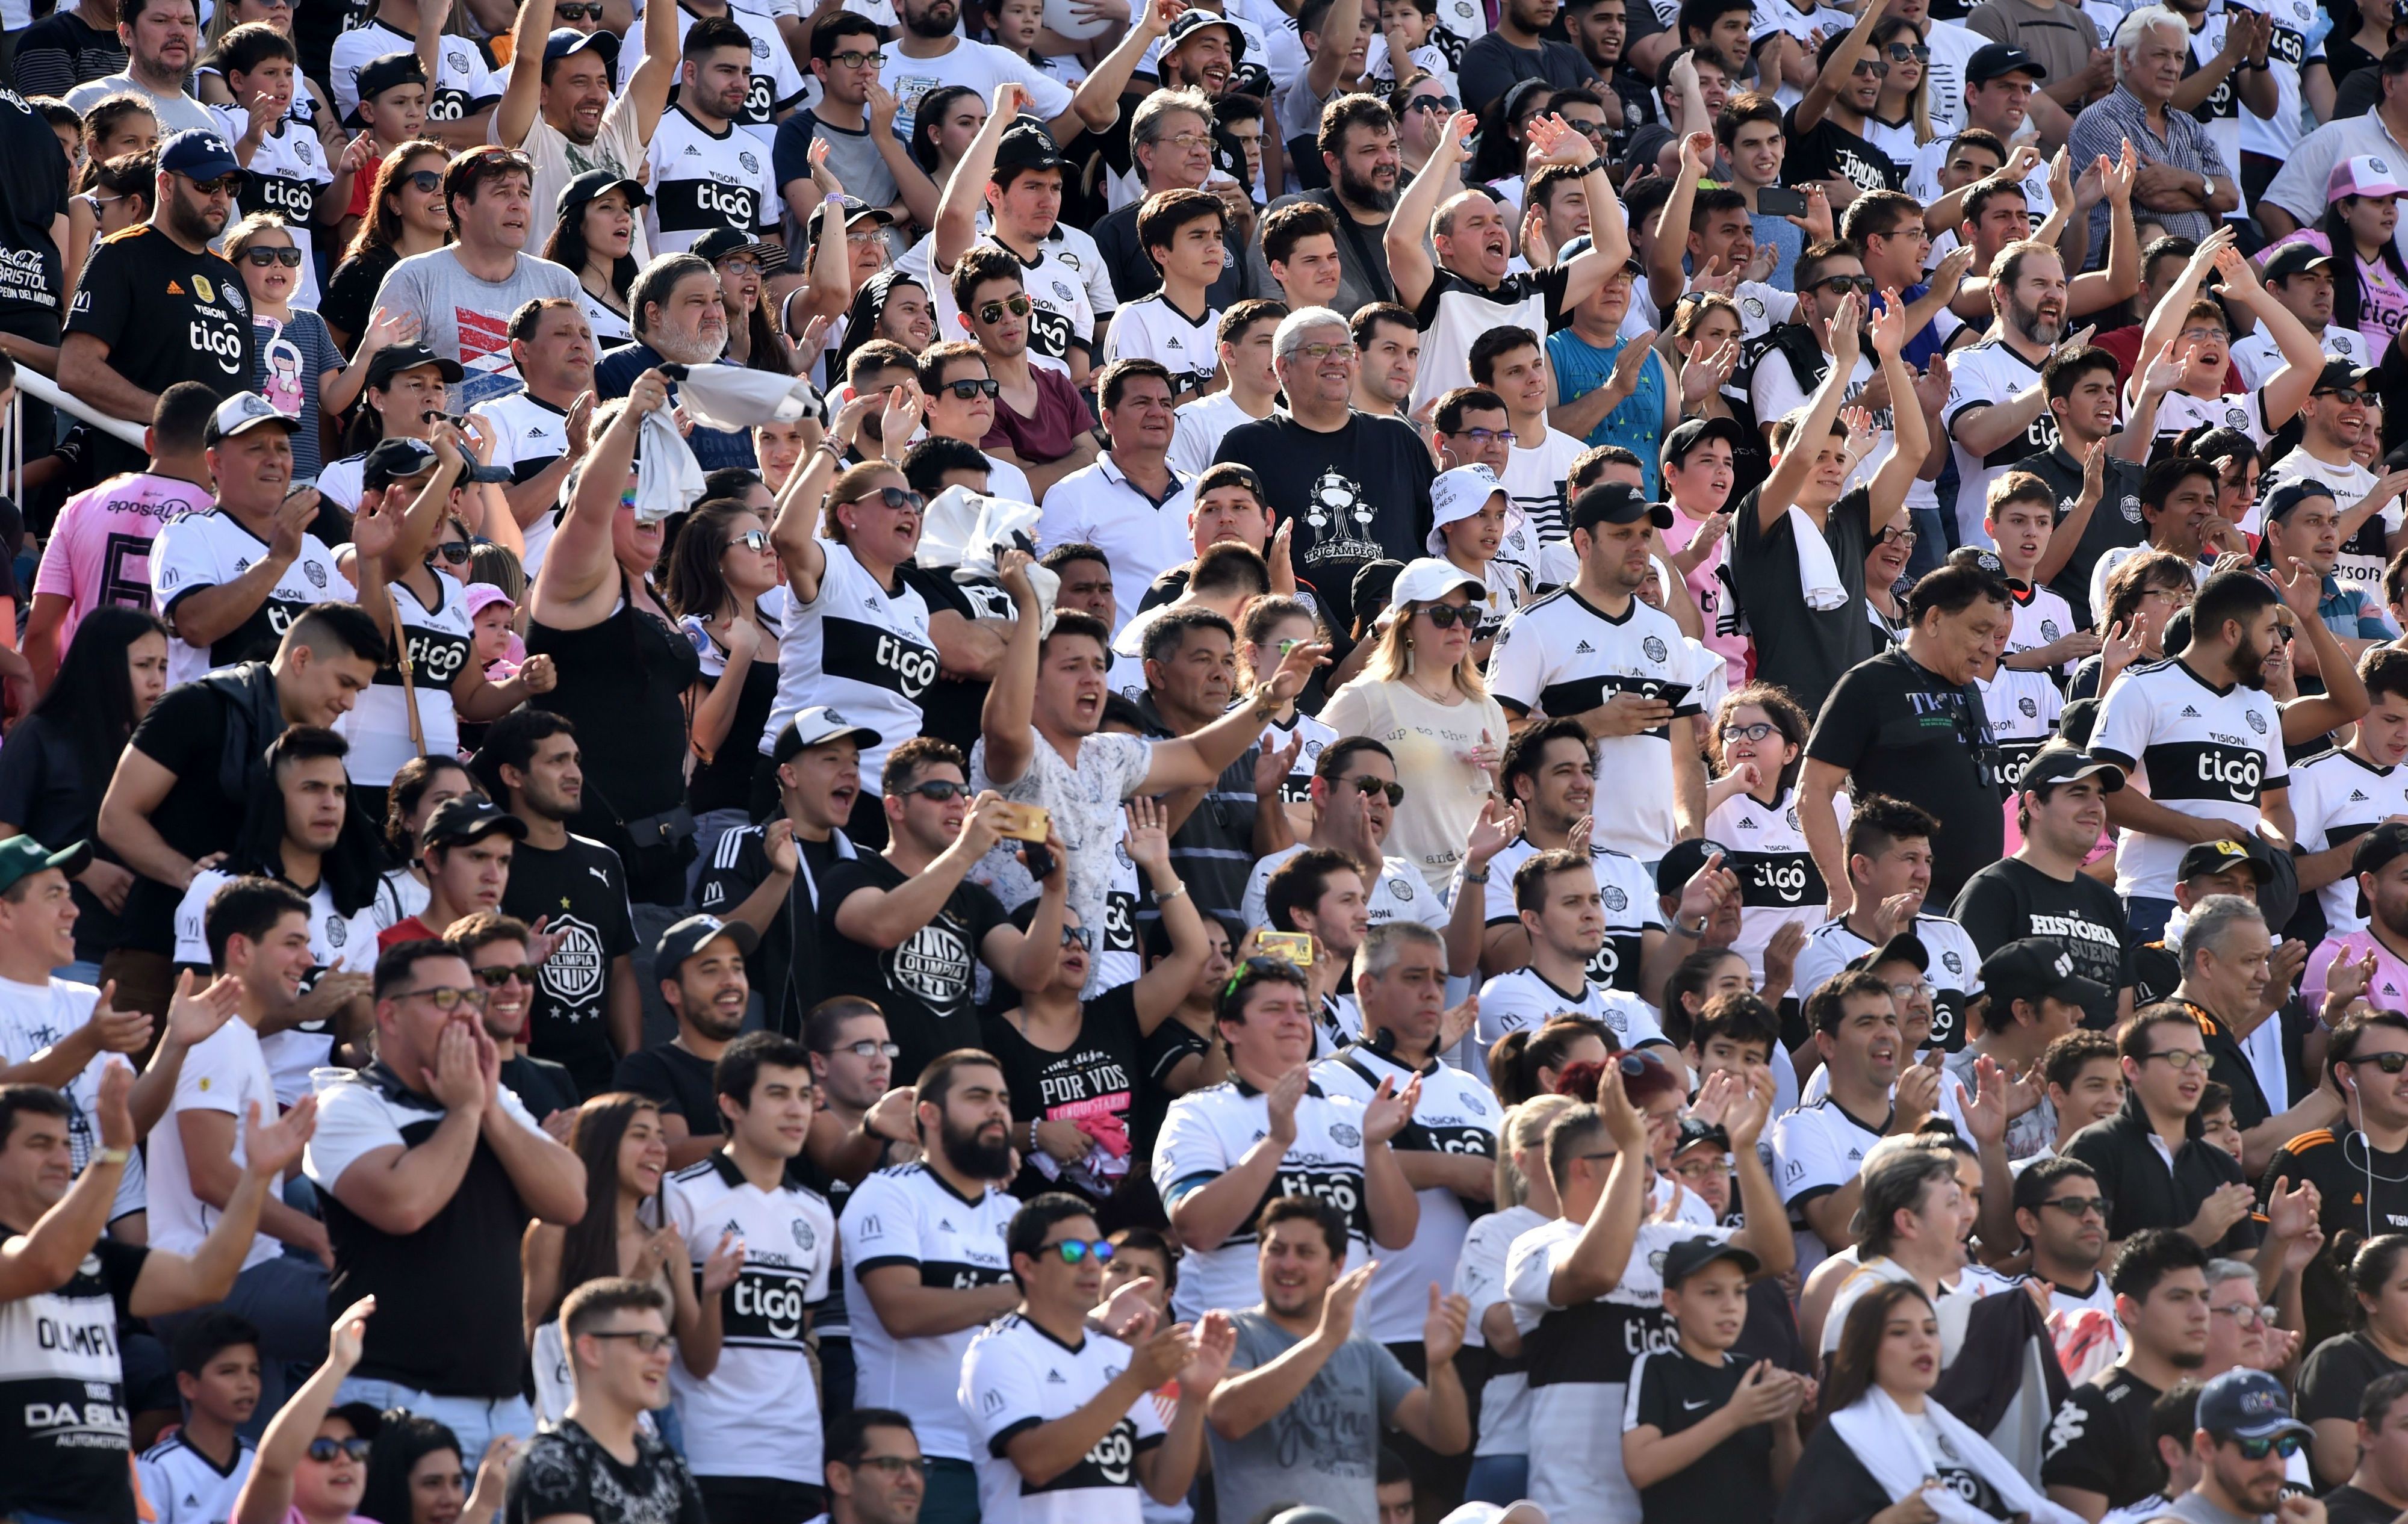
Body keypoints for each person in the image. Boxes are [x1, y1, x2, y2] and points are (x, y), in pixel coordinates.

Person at [303, 937, 587, 1464]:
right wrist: (462, 1115)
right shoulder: (348, 1104)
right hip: (396, 1399)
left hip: (505, 1408)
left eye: (470, 999)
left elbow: (570, 1200)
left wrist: (489, 1111)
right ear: (389, 1014)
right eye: (443, 1000)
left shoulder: (492, 1100)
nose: (465, 1015)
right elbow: (404, 1206)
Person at [0, 1061, 315, 1524]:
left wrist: (255, 1179)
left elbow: (206, 1280)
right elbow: (45, 1264)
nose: (61, 1158)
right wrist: (113, 1151)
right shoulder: (50, 1255)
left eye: (67, 1144)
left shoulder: (99, 1259)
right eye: (39, 1143)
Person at [1507, 1059, 1790, 1522]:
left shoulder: (1672, 1238)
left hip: (1677, 1507)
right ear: (1582, 1171)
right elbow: (1596, 1272)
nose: (1646, 1172)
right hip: (1579, 1510)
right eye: (1626, 1156)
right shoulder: (1538, 1245)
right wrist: (1633, 1147)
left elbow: (1773, 1255)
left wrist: (1741, 1147)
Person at [99, 602, 385, 1021]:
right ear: (302, 658)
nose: (348, 703)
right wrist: (191, 877)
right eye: (345, 683)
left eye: (358, 690)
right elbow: (116, 818)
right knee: (130, 1086)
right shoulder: (196, 707)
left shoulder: (319, 751)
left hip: (263, 973)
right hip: (156, 951)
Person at [1152, 949, 1420, 1322]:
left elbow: (1399, 1234)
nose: (1295, 1020)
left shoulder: (1354, 1114)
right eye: (1275, 1009)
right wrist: (1275, 1143)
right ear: (1230, 1029)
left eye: (1302, 1009)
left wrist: (1375, 1146)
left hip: (1340, 1350)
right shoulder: (1197, 1114)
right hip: (1233, 1352)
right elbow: (1196, 1229)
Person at [1201, 1194, 1472, 1524]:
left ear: (1337, 1266)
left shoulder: (1363, 1352)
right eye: (1276, 1250)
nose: (1288, 1264)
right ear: (1259, 1257)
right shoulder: (1230, 1331)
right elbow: (1228, 1417)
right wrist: (1325, 1340)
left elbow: (1449, 1438)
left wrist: (1441, 1365)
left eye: (1306, 1253)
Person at [960, 1193, 1225, 1523]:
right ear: (1026, 1266)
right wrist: (1133, 1382)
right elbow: (1037, 1463)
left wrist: (1194, 1397)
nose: (1091, 1265)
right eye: (1072, 1252)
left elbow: (1166, 1489)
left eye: (1099, 1252)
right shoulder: (997, 1350)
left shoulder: (1118, 1355)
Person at [839, 1050, 1023, 1524]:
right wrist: (1021, 1296)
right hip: (918, 1461)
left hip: (1010, 1458)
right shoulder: (888, 1194)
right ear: (929, 1114)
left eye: (1003, 1099)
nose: (997, 1110)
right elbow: (901, 1312)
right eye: (978, 1097)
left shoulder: (1014, 1214)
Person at [663, 1032, 835, 1524]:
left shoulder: (817, 1212)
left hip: (797, 1459)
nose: (797, 1111)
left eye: (805, 1095)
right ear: (731, 1106)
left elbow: (799, 1332)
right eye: (778, 1094)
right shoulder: (681, 1197)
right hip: (708, 1452)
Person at [1725, 290, 1923, 715]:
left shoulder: (1850, 520)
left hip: (1855, 721)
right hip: (1789, 722)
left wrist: (1888, 356)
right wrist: (1844, 365)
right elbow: (1798, 454)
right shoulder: (1760, 518)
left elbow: (1913, 452)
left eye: (1840, 458)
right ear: (1777, 463)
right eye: (1821, 457)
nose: (1835, 467)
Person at [1491, 479, 1702, 863]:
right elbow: (1495, 736)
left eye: (1645, 534)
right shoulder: (1532, 626)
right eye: (1623, 534)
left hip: (1656, 861)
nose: (1640, 546)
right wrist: (1593, 723)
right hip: (1564, 859)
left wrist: (1691, 841)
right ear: (1584, 544)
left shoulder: (1667, 631)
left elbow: (1685, 758)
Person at [2088, 568, 2292, 943]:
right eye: (2268, 631)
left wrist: (2274, 847)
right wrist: (2197, 831)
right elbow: (2101, 791)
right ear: (2232, 632)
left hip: (2242, 911)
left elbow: (2276, 805)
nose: (2276, 645)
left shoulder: (2262, 707)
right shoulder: (2141, 688)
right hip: (2156, 897)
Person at [1211, 306, 1436, 637]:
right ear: (1283, 368)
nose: (1335, 359)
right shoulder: (1247, 446)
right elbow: (1227, 551)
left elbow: (1435, 538)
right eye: (1317, 350)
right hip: (1295, 642)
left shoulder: (1397, 438)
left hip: (1398, 639)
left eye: (1345, 350)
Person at [1780, 1280, 2073, 1524]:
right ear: (1867, 1348)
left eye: (1930, 1330)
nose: (1922, 1342)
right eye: (1900, 1332)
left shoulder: (1958, 1434)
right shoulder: (1843, 1438)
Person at [60, 128, 258, 479]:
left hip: (216, 487)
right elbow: (77, 369)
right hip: (136, 479)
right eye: (207, 185)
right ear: (165, 185)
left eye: (231, 187)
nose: (222, 198)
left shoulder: (231, 277)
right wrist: (175, 417)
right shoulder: (121, 254)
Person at [520, 1091, 712, 1427]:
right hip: (575, 1416)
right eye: (640, 1135)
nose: (658, 1149)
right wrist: (637, 1280)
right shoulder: (555, 1232)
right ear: (602, 1144)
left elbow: (699, 1361)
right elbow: (531, 1338)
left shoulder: (668, 1246)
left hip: (656, 1421)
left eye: (661, 1138)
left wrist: (714, 1291)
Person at [473, 712, 639, 1099]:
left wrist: (632, 1068)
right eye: (556, 761)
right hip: (515, 1084)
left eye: (575, 760)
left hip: (601, 1083)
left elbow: (621, 971)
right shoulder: (489, 865)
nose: (574, 773)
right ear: (513, 776)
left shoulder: (605, 860)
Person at [1319, 559, 1512, 893]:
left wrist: (1498, 783)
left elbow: (1502, 822)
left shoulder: (1488, 709)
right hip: (1393, 891)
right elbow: (1311, 777)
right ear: (1405, 625)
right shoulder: (1366, 697)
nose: (1458, 626)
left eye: (1468, 615)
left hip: (1473, 891)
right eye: (1441, 615)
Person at [0, 607, 172, 977]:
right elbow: (3, 846)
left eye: (163, 666)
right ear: (102, 665)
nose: (158, 681)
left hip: (136, 959)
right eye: (144, 666)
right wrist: (77, 866)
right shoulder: (40, 736)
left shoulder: (151, 751)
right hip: (57, 957)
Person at [1623, 1233, 1809, 1524]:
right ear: (1673, 1302)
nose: (1730, 1306)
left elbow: (1789, 1491)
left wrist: (1786, 1425)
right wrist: (1734, 1416)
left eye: (1739, 1292)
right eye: (1712, 1293)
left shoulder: (1750, 1373)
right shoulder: (1657, 1367)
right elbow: (1640, 1467)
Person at [2064, 1004, 2262, 1262]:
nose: (2194, 1070)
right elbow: (2072, 1258)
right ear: (2132, 1069)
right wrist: (2191, 1237)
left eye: (2201, 1060)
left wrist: (2282, 1241)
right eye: (2177, 1057)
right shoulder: (2095, 1147)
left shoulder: (2222, 1165)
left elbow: (2245, 1284)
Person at [506, 1278, 709, 1524]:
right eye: (646, 1342)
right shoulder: (551, 1462)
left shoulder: (667, 1465)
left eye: (665, 1343)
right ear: (591, 1350)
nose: (665, 1357)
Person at [494, 0, 675, 260]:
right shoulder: (527, 143)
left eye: (602, 82)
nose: (596, 95)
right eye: (580, 82)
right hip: (561, 299)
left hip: (629, 301)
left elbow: (663, 58)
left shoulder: (618, 137)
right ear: (542, 93)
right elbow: (528, 57)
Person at [1037, 361, 1196, 625]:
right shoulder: (1071, 496)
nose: (1157, 412)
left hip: (1195, 660)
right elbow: (1048, 594)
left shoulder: (1202, 493)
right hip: (1110, 663)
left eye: (1166, 403)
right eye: (1142, 403)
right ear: (1108, 419)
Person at [609, 915, 756, 1163]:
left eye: (737, 968)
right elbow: (668, 1153)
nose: (731, 981)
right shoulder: (647, 1070)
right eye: (711, 970)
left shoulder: (773, 1063)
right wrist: (760, 1139)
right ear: (672, 991)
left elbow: (833, 1150)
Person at [141, 1314, 262, 1524]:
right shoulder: (156, 1467)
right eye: (228, 1371)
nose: (247, 1384)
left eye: (254, 1371)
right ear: (188, 1385)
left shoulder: (259, 1463)